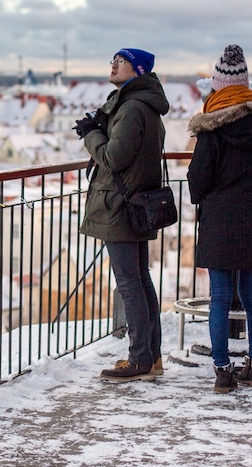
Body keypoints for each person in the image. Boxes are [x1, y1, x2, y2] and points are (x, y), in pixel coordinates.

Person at [187, 44, 252, 393]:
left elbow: (197, 179)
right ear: (245, 85)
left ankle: (222, 372)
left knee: (220, 297)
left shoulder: (212, 129)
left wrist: (206, 196)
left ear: (216, 86)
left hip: (219, 219)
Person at [74, 47, 169, 382]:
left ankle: (140, 360)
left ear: (138, 71)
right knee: (140, 282)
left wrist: (91, 133)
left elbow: (112, 159)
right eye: (112, 59)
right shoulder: (141, 106)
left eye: (121, 61)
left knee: (131, 284)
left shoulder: (131, 108)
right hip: (134, 202)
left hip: (119, 205)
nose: (113, 64)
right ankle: (151, 357)